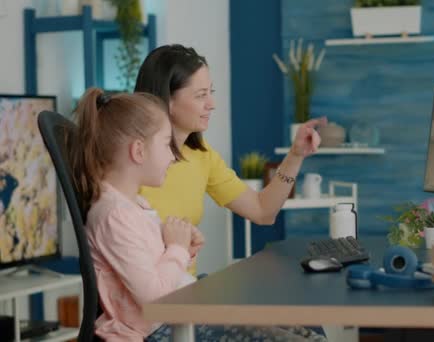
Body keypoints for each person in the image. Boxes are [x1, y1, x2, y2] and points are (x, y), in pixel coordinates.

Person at [70, 88, 325, 341]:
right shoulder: (114, 215)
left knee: (302, 325)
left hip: (183, 309)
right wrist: (177, 249)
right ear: (138, 151)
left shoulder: (132, 204)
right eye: (166, 145)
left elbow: (149, 265)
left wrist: (179, 246)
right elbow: (155, 298)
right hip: (165, 327)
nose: (173, 156)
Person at [134, 44, 326, 274]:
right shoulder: (133, 156)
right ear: (168, 101)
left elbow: (263, 211)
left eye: (210, 92)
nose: (211, 104)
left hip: (183, 294)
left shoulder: (201, 154)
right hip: (149, 299)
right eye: (200, 95)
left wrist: (296, 155)